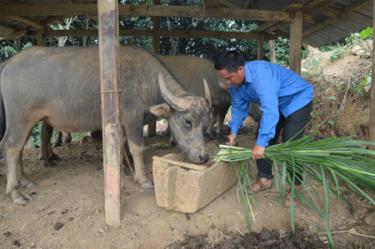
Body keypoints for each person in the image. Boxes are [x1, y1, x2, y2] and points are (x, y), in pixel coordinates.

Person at [215, 50, 313, 194]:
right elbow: (238, 107)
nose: (227, 82)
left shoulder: (262, 75)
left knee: (291, 142)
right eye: (225, 79)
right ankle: (264, 179)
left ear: (241, 69)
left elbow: (270, 111)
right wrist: (233, 133)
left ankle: (296, 186)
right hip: (276, 103)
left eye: (229, 78)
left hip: (297, 99)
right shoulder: (235, 84)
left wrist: (261, 145)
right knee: (261, 137)